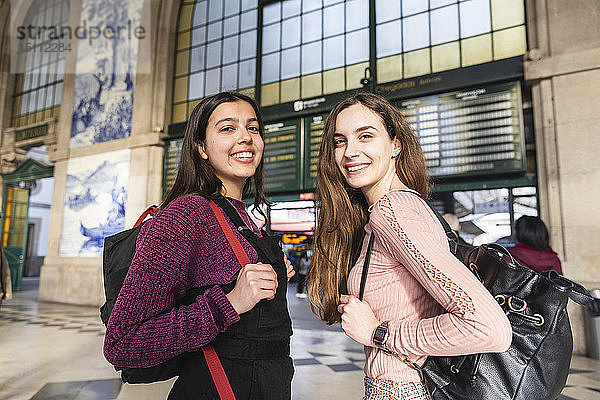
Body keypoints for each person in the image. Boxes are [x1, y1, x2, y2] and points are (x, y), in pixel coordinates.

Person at [308, 92, 512, 399]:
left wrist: (378, 332)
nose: (350, 151)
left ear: (395, 145)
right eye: (340, 141)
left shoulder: (394, 211)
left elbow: (488, 327)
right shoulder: (393, 209)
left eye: (365, 136)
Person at [104, 92, 295, 399]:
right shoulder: (186, 215)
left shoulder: (241, 216)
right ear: (202, 148)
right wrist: (229, 303)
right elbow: (123, 343)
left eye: (253, 128)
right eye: (228, 128)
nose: (245, 137)